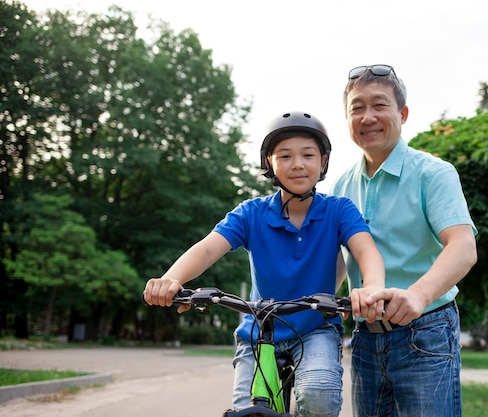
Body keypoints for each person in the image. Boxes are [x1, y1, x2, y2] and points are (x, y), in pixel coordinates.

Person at [143, 111, 385, 417]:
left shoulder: (338, 210)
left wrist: (373, 288)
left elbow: (366, 251)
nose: (297, 163)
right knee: (249, 411)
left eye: (308, 155)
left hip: (315, 328)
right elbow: (206, 249)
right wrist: (171, 279)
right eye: (285, 156)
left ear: (322, 162)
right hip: (259, 331)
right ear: (269, 164)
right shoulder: (251, 213)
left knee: (318, 394)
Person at [330, 65, 478, 417]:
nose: (368, 117)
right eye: (357, 108)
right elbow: (338, 261)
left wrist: (418, 295)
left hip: (425, 330)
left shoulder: (433, 173)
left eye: (379, 105)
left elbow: (463, 246)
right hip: (364, 336)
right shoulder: (340, 186)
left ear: (403, 114)